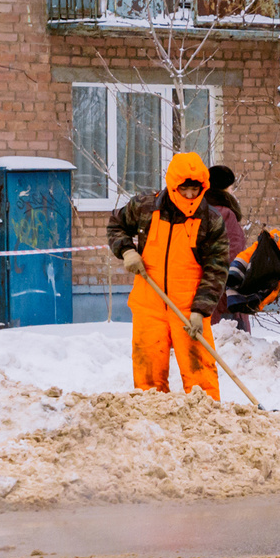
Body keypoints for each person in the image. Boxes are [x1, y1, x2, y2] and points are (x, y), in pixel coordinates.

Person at [107, 152, 229, 401]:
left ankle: (208, 426)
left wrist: (200, 310)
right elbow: (115, 225)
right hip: (148, 306)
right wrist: (127, 251)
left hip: (188, 308)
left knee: (201, 380)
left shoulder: (210, 220)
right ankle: (154, 427)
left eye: (196, 190)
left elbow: (216, 268)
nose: (190, 196)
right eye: (185, 190)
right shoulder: (144, 208)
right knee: (148, 381)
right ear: (173, 185)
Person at [204, 164, 251, 333]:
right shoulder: (225, 213)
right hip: (224, 293)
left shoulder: (200, 211)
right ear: (225, 189)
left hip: (203, 291)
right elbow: (234, 255)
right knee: (229, 342)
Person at [225, 229, 280, 315]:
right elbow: (241, 261)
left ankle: (250, 302)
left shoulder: (274, 260)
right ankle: (250, 302)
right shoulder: (262, 254)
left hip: (246, 289)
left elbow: (240, 261)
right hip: (243, 288)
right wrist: (233, 275)